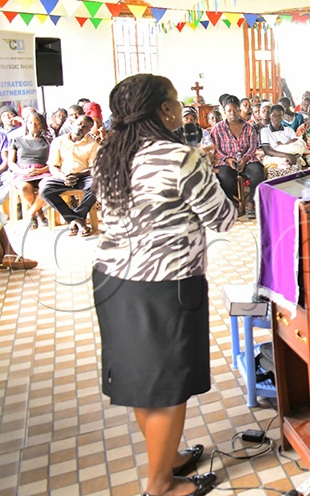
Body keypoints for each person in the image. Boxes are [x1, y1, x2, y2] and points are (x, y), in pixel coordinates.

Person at [91, 74, 235, 496]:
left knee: (143, 380)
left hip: (113, 282)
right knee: (170, 387)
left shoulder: (109, 154)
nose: (178, 106)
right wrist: (212, 175)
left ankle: (167, 456)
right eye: (173, 99)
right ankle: (160, 485)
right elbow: (222, 218)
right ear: (163, 111)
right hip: (166, 285)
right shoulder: (180, 158)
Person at [39, 115, 100, 236]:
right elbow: (53, 166)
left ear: (89, 130)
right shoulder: (58, 141)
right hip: (62, 176)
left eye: (85, 127)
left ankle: (75, 219)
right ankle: (77, 221)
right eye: (79, 123)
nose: (81, 127)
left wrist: (77, 174)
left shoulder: (92, 144)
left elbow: (93, 168)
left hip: (83, 176)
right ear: (73, 123)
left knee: (97, 185)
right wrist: (63, 177)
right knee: (45, 191)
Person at [210, 101, 265, 218]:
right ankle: (232, 204)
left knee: (258, 172)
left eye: (235, 110)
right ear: (224, 113)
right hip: (226, 161)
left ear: (239, 111)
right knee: (224, 176)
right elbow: (216, 148)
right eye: (229, 111)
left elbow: (253, 146)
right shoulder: (217, 128)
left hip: (246, 159)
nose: (232, 113)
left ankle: (251, 203)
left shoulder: (249, 128)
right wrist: (227, 159)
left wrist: (245, 159)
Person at [7, 112, 51, 229]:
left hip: (43, 171)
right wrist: (23, 172)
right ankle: (40, 215)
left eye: (37, 123)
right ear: (26, 124)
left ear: (41, 125)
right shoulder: (16, 141)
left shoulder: (47, 141)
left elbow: (54, 161)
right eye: (31, 122)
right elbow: (11, 163)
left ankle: (30, 214)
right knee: (24, 187)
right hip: (22, 172)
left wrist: (42, 170)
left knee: (47, 186)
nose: (34, 125)